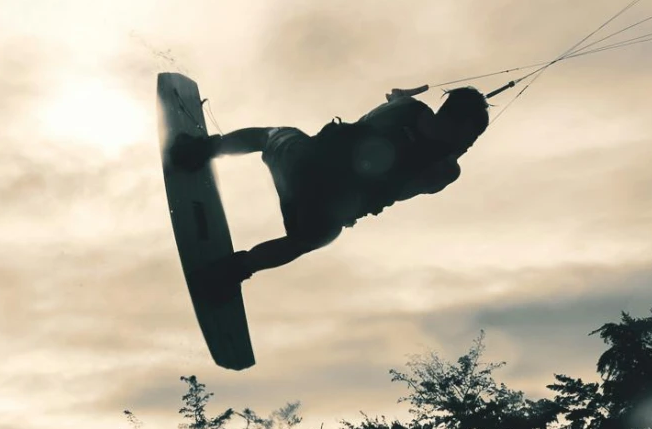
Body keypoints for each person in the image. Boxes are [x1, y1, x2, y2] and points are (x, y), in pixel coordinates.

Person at [172, 85, 491, 285]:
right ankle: (232, 271)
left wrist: (398, 102)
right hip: (319, 210)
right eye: (472, 136)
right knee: (312, 238)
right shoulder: (445, 170)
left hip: (299, 169)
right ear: (461, 125)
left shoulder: (410, 111)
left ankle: (197, 152)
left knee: (270, 136)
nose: (471, 144)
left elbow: (371, 122)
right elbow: (414, 184)